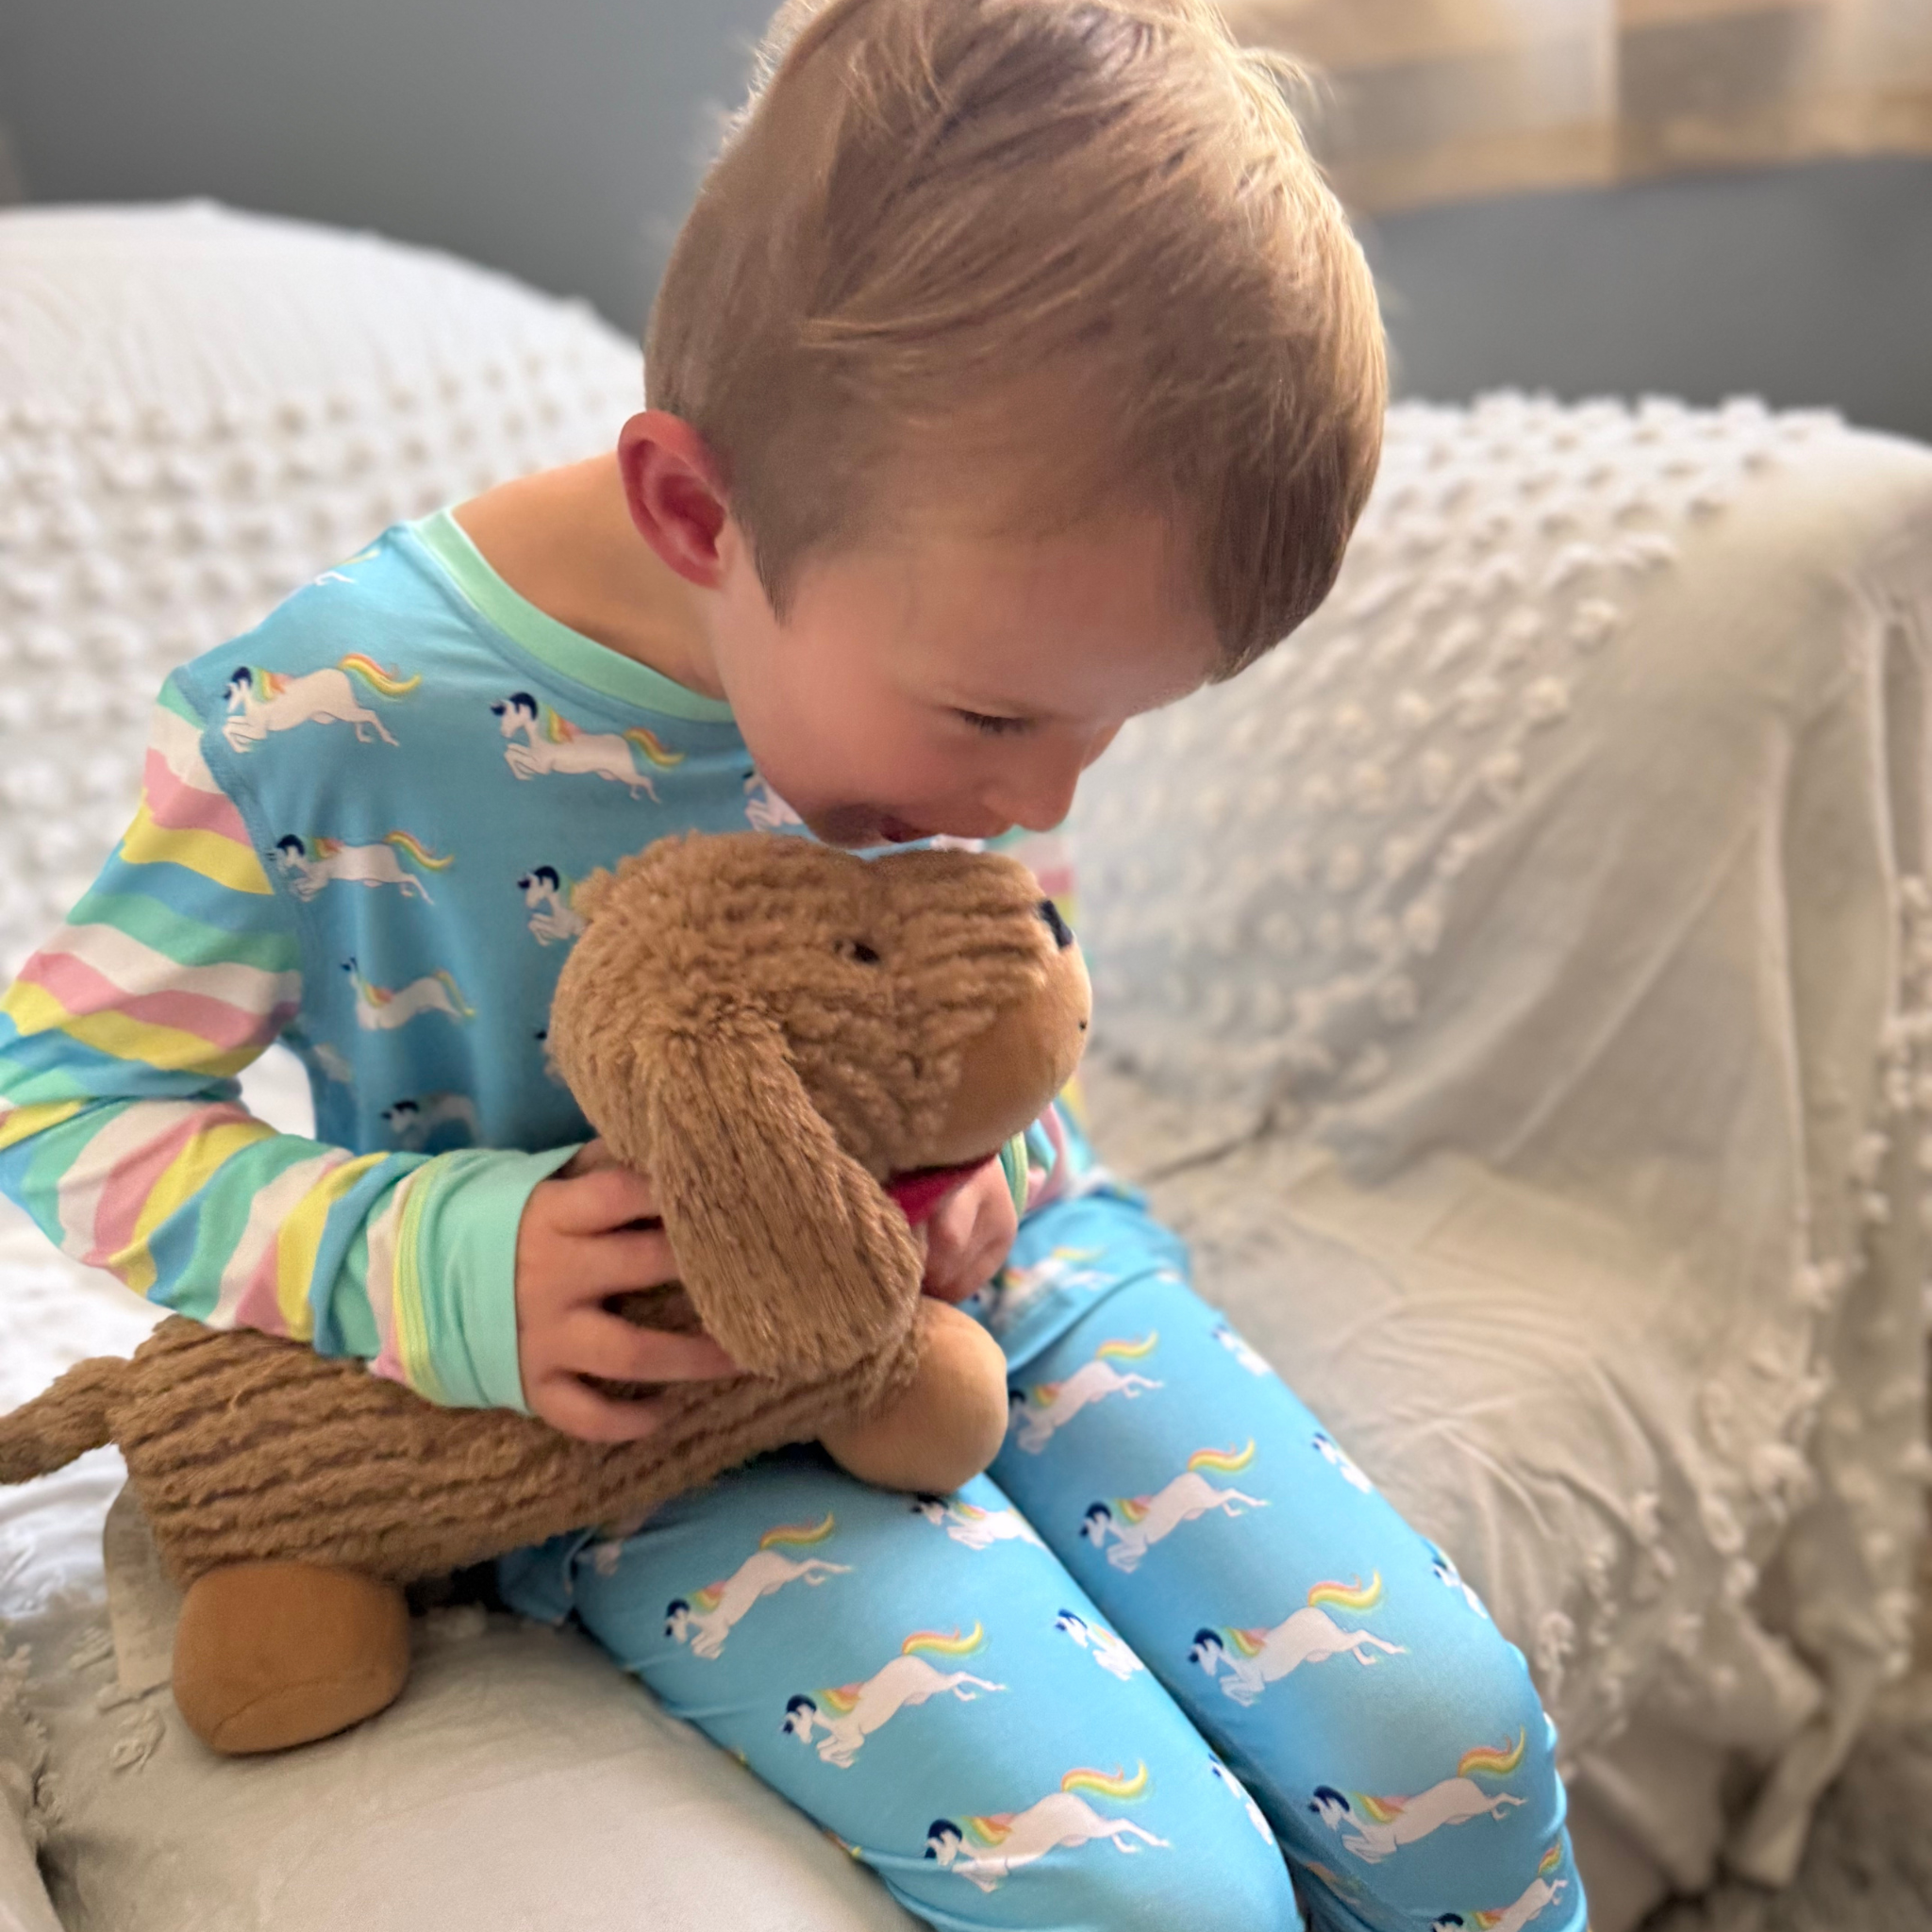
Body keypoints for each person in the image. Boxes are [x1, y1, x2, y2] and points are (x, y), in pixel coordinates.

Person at [0, 3, 1586, 1926]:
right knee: (1157, 1902)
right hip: (659, 1414)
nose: (1040, 795)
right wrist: (440, 1262)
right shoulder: (319, 721)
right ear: (694, 511)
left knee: (1455, 1753)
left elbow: (982, 994)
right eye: (999, 717)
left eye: (1109, 727)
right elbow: (59, 1104)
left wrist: (995, 1167)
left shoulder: (963, 642)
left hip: (1014, 1290)